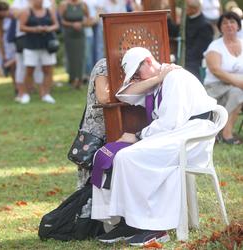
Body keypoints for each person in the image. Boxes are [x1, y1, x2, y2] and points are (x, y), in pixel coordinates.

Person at [91, 47, 219, 246]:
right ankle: (132, 221)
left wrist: (139, 135)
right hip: (177, 134)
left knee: (130, 157)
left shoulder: (175, 78)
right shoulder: (159, 82)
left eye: (136, 73)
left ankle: (156, 227)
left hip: (192, 136)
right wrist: (156, 79)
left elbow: (170, 122)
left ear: (149, 62)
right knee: (123, 156)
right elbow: (123, 95)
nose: (135, 79)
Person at [203, 12, 243, 145]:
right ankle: (226, 133)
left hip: (236, 87)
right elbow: (216, 71)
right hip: (215, 87)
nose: (229, 25)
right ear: (220, 28)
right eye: (225, 23)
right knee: (238, 93)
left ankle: (222, 131)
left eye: (232, 22)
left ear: (238, 26)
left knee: (237, 92)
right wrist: (238, 82)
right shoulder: (215, 46)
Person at [76, 58, 110, 189]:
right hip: (96, 133)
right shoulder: (104, 65)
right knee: (89, 184)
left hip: (112, 130)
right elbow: (103, 98)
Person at [20, 0, 59, 103]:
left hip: (47, 45)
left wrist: (48, 28)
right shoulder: (26, 12)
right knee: (29, 70)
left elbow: (56, 25)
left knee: (48, 69)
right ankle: (25, 94)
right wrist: (35, 29)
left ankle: (46, 94)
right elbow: (21, 27)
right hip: (31, 45)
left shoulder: (49, 11)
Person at [59, 0, 90, 89]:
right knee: (70, 56)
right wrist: (72, 24)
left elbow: (88, 18)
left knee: (81, 56)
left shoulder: (83, 5)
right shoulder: (64, 5)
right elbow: (60, 20)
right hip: (69, 34)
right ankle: (72, 79)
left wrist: (81, 23)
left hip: (80, 34)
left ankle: (80, 79)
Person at [185, 0, 213, 81]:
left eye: (187, 7)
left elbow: (199, 50)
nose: (185, 9)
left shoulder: (204, 25)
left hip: (195, 63)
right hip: (187, 58)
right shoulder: (188, 19)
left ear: (194, 9)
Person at [0, 1, 17, 96]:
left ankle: (27, 86)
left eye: (5, 11)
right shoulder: (0, 20)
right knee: (13, 68)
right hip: (7, 45)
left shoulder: (15, 16)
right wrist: (3, 53)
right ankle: (16, 87)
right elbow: (0, 37)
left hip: (17, 42)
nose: (3, 13)